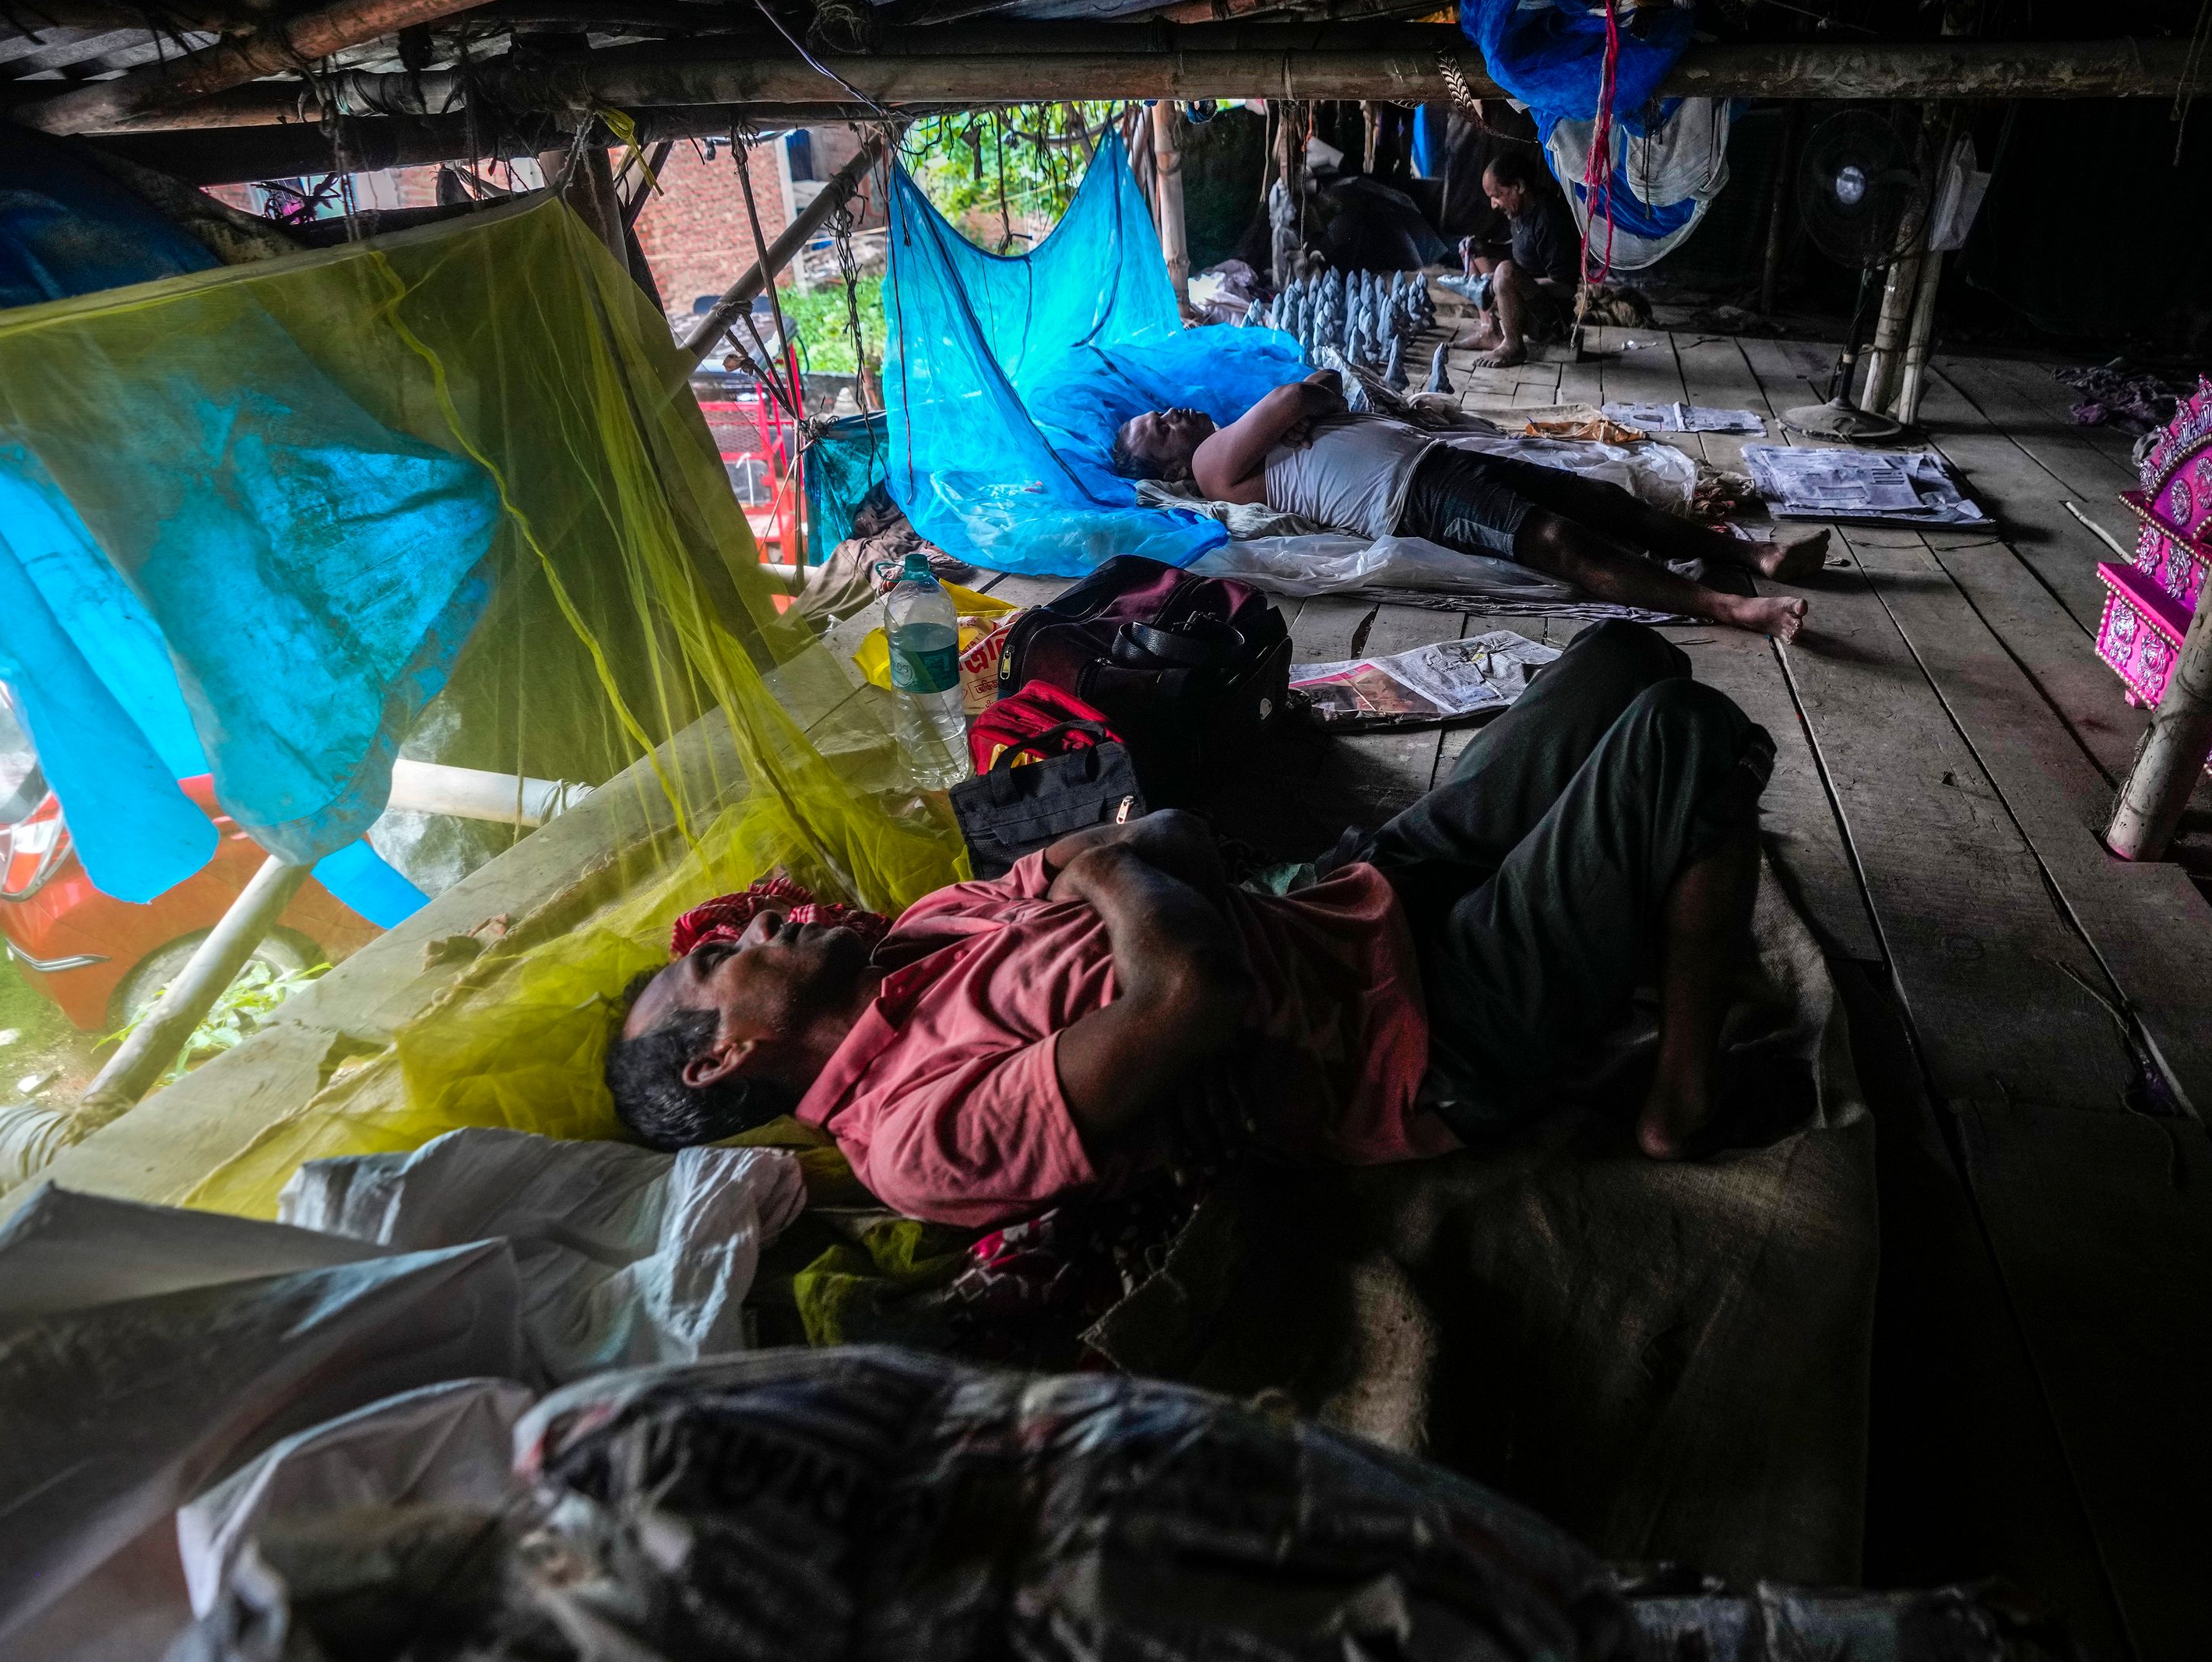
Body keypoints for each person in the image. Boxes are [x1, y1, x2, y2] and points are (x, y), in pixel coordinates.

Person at [608, 624, 1773, 1225]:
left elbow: (1158, 839)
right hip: (1422, 1033)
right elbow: (1191, 999)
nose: (768, 926)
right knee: (1682, 731)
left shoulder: (919, 930)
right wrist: (1123, 876)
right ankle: (1677, 1102)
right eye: (726, 960)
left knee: (1624, 658)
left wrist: (1135, 881)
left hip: (1349, 899)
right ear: (722, 1059)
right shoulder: (916, 1134)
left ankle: (1599, 892)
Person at [1110, 368, 1823, 638]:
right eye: (1158, 428)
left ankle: (1756, 554)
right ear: (1169, 468)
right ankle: (1731, 607)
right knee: (1555, 539)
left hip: (1433, 460)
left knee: (1601, 501)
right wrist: (1301, 406)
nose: (1171, 412)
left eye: (1163, 411)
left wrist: (1307, 403)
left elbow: (1327, 379)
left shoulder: (1238, 430)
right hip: (1410, 492)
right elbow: (1305, 393)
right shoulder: (1210, 465)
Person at [1458, 148, 1569, 370]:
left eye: (1496, 196)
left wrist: (1503, 286)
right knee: (1475, 250)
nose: (1494, 205)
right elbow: (1523, 253)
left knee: (1505, 272)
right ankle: (1491, 331)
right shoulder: (1518, 212)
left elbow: (1566, 286)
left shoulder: (1548, 219)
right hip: (1523, 301)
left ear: (1518, 186)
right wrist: (1484, 248)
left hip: (1551, 321)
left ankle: (1513, 346)